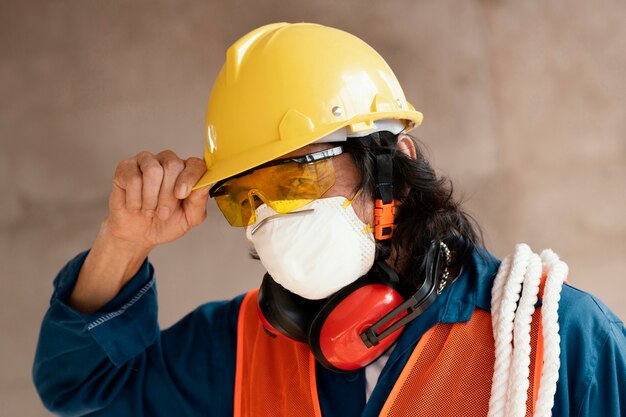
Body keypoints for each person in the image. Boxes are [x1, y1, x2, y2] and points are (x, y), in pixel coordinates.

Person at [33, 22, 625, 417]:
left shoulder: (555, 340)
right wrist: (123, 242)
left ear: (394, 167)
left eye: (297, 178)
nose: (272, 216)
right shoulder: (237, 351)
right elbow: (79, 386)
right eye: (248, 197)